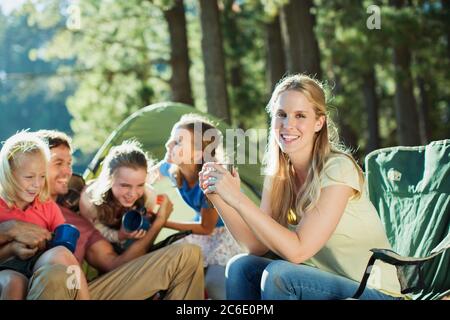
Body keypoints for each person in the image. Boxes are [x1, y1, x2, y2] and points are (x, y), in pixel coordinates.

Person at [200, 74, 404, 300]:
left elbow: (298, 251)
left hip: (371, 291)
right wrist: (220, 196)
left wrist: (239, 199)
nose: (288, 125)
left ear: (319, 122)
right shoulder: (279, 173)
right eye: (281, 115)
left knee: (280, 275)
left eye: (300, 116)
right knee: (241, 266)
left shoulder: (338, 168)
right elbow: (256, 246)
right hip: (320, 282)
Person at [30, 129, 204, 299]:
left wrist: (158, 223)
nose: (67, 171)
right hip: (42, 288)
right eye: (58, 163)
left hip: (84, 293)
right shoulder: (12, 208)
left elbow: (114, 264)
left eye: (69, 163)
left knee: (188, 255)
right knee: (54, 275)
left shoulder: (78, 219)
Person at [150, 114, 243, 299]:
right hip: (200, 229)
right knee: (164, 258)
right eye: (171, 139)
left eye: (177, 142)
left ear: (199, 153)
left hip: (224, 235)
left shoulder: (211, 180)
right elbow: (146, 176)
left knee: (215, 284)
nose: (168, 145)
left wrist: (162, 222)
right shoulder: (172, 169)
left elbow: (206, 228)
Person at [0, 131, 90, 299]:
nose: (36, 184)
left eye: (42, 176)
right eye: (29, 177)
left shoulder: (47, 206)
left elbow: (64, 248)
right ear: (9, 174)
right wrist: (11, 248)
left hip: (38, 266)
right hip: (5, 268)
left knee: (62, 254)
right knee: (14, 282)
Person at [79, 140, 159, 252]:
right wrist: (119, 236)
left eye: (140, 185)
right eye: (125, 185)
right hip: (105, 246)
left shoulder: (148, 195)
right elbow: (97, 229)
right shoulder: (89, 200)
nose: (133, 193)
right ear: (109, 179)